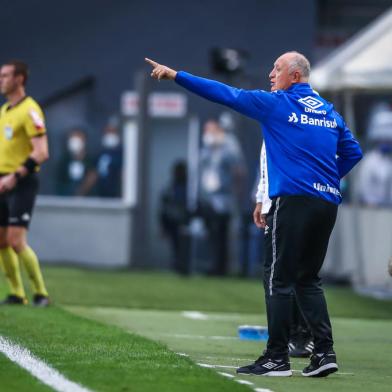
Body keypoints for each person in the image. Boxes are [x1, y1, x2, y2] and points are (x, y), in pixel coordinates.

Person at [145, 52, 362, 377]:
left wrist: (177, 76)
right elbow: (353, 152)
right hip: (326, 202)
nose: (271, 74)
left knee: (278, 278)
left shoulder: (277, 104)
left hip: (294, 200)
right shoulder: (330, 113)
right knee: (308, 279)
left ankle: (276, 357)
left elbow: (225, 93)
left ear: (294, 76)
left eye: (276, 69)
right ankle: (324, 352)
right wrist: (327, 180)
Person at [255, 142, 314, 358]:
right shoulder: (273, 116)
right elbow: (265, 161)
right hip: (276, 202)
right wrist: (262, 198)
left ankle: (302, 335)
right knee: (274, 274)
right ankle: (283, 339)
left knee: (295, 273)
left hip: (295, 200)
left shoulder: (300, 117)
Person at [0, 60, 50, 306]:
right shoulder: (5, 110)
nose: (2, 80)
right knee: (1, 241)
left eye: (6, 75)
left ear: (20, 79)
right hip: (2, 181)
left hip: (21, 181)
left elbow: (41, 152)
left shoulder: (30, 110)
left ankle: (41, 293)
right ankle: (17, 293)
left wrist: (15, 176)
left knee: (16, 241)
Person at [198, 119, 245, 276]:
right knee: (211, 234)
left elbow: (237, 168)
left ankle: (224, 268)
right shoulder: (207, 149)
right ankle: (213, 265)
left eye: (210, 130)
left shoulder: (229, 146)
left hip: (224, 199)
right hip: (208, 198)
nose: (208, 134)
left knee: (224, 235)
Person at [80, 116, 123, 198]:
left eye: (113, 132)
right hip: (99, 196)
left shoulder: (121, 153)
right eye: (107, 132)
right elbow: (92, 175)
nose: (109, 135)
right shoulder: (100, 153)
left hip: (116, 196)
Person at [159, 160, 188, 273]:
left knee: (183, 245)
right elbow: (163, 207)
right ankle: (177, 265)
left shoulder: (188, 188)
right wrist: (163, 225)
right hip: (172, 220)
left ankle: (182, 265)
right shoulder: (170, 188)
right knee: (175, 245)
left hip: (183, 220)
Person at [56, 128, 93, 196]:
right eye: (73, 138)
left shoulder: (90, 161)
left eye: (78, 138)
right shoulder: (64, 161)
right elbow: (59, 183)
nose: (75, 141)